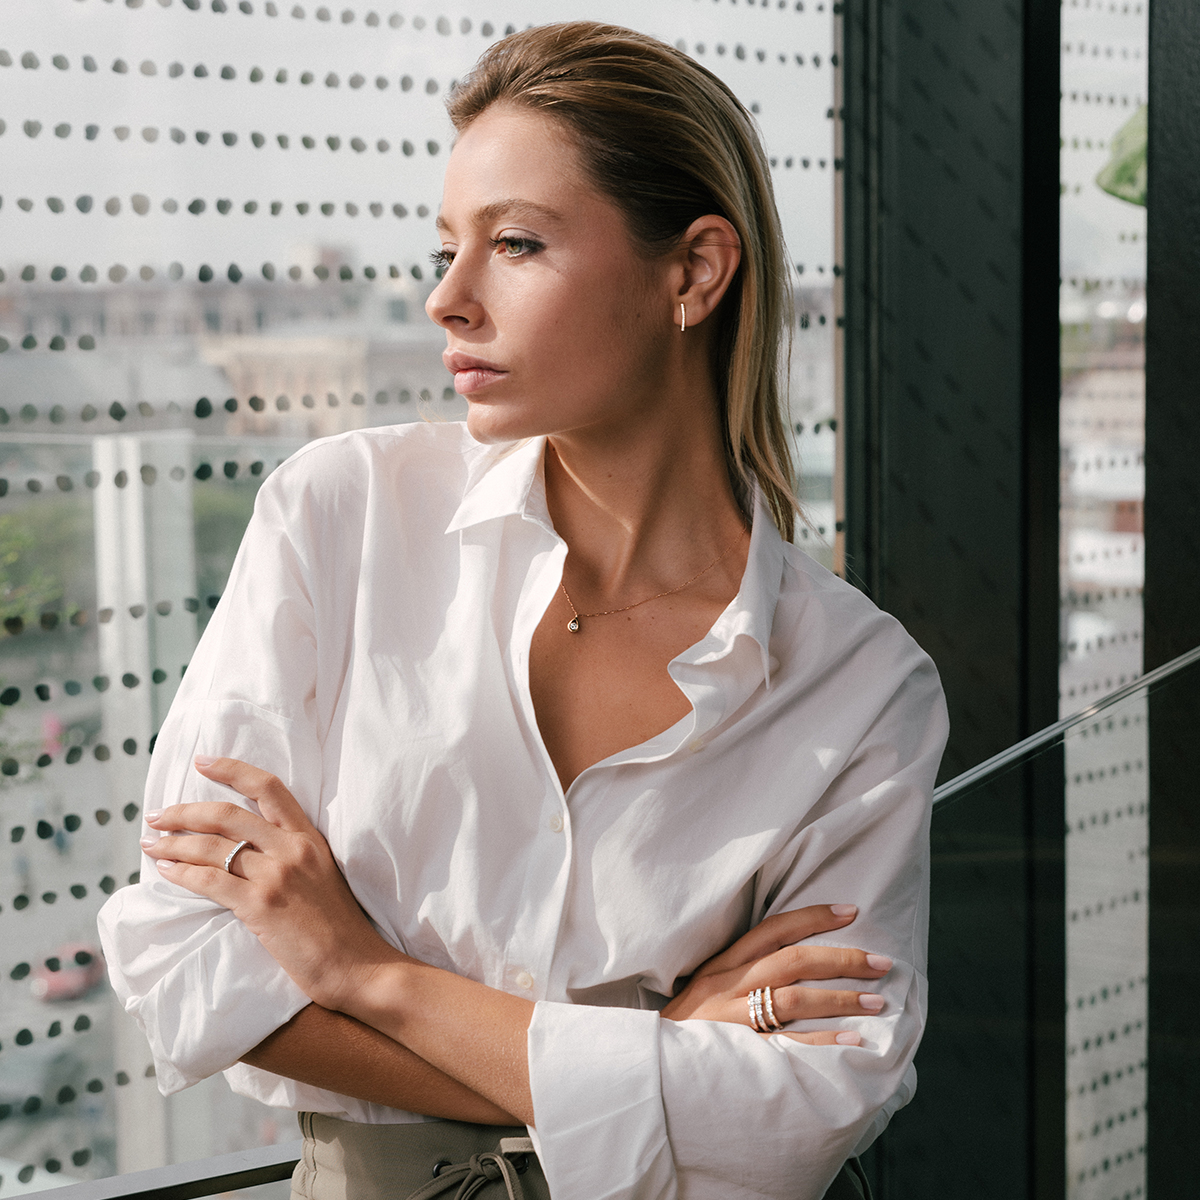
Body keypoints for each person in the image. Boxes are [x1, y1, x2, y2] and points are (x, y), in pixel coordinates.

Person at [97, 22, 947, 1200]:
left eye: (515, 244)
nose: (447, 299)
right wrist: (652, 1055)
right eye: (446, 248)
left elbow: (813, 1108)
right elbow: (182, 964)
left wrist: (368, 973)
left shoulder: (858, 683)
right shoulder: (340, 517)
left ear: (695, 273)